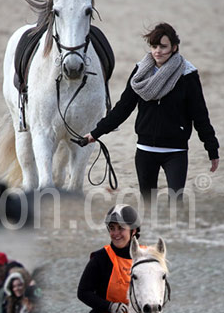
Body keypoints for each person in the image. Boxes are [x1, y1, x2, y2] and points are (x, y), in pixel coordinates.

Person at [84, 23, 219, 200]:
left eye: (163, 46)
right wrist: (95, 133)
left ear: (174, 47)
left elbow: (200, 115)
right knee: (148, 206)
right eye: (154, 46)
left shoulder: (187, 74)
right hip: (145, 150)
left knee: (175, 204)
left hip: (176, 151)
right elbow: (123, 108)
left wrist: (212, 149)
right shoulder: (140, 72)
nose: (158, 51)